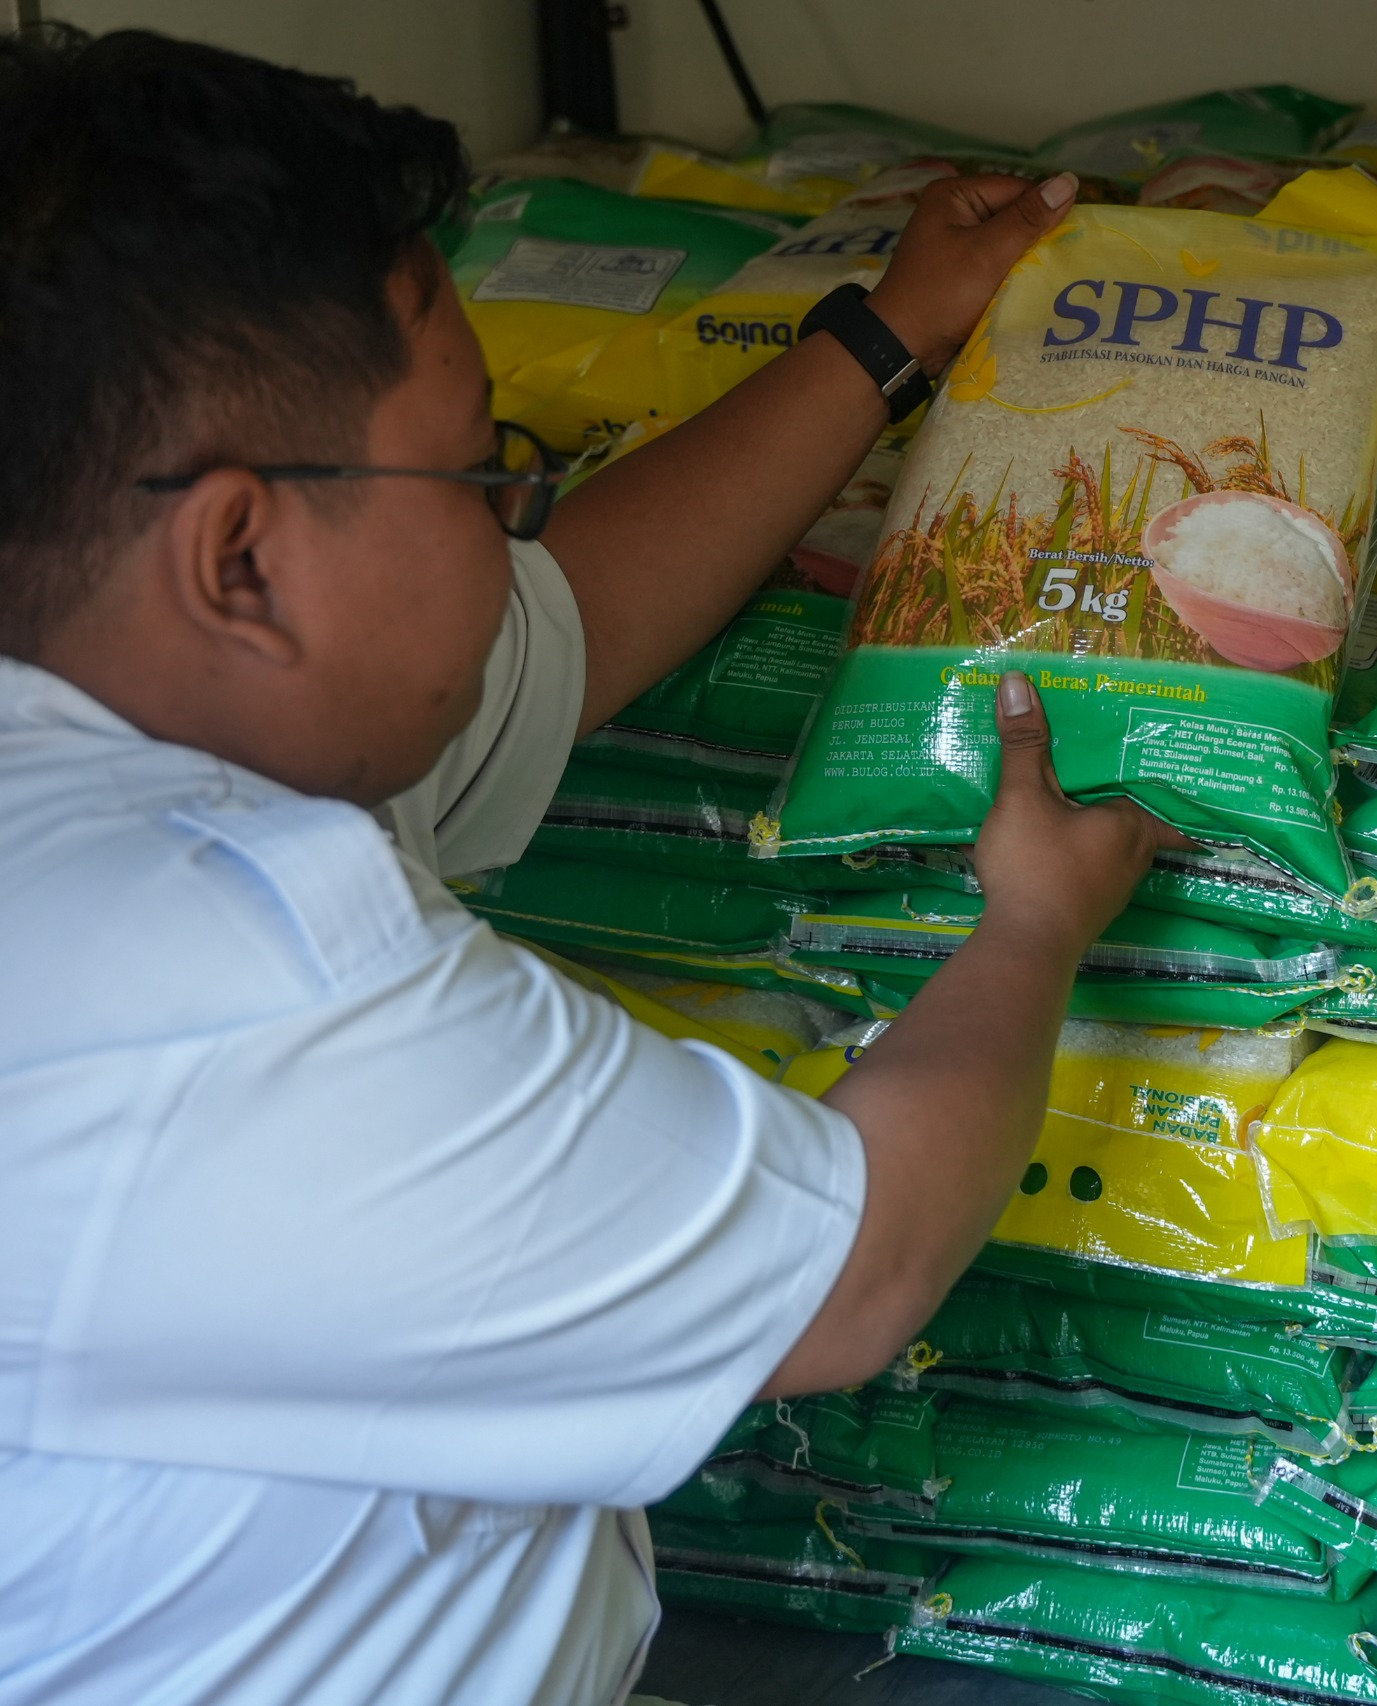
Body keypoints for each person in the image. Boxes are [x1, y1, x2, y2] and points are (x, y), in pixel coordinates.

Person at [0, 25, 1181, 1705]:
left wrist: (892, 332)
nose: (513, 522)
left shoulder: (131, 722)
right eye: (483, 470)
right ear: (241, 556)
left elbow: (570, 625)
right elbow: (857, 1270)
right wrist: (1037, 922)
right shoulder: (249, 992)